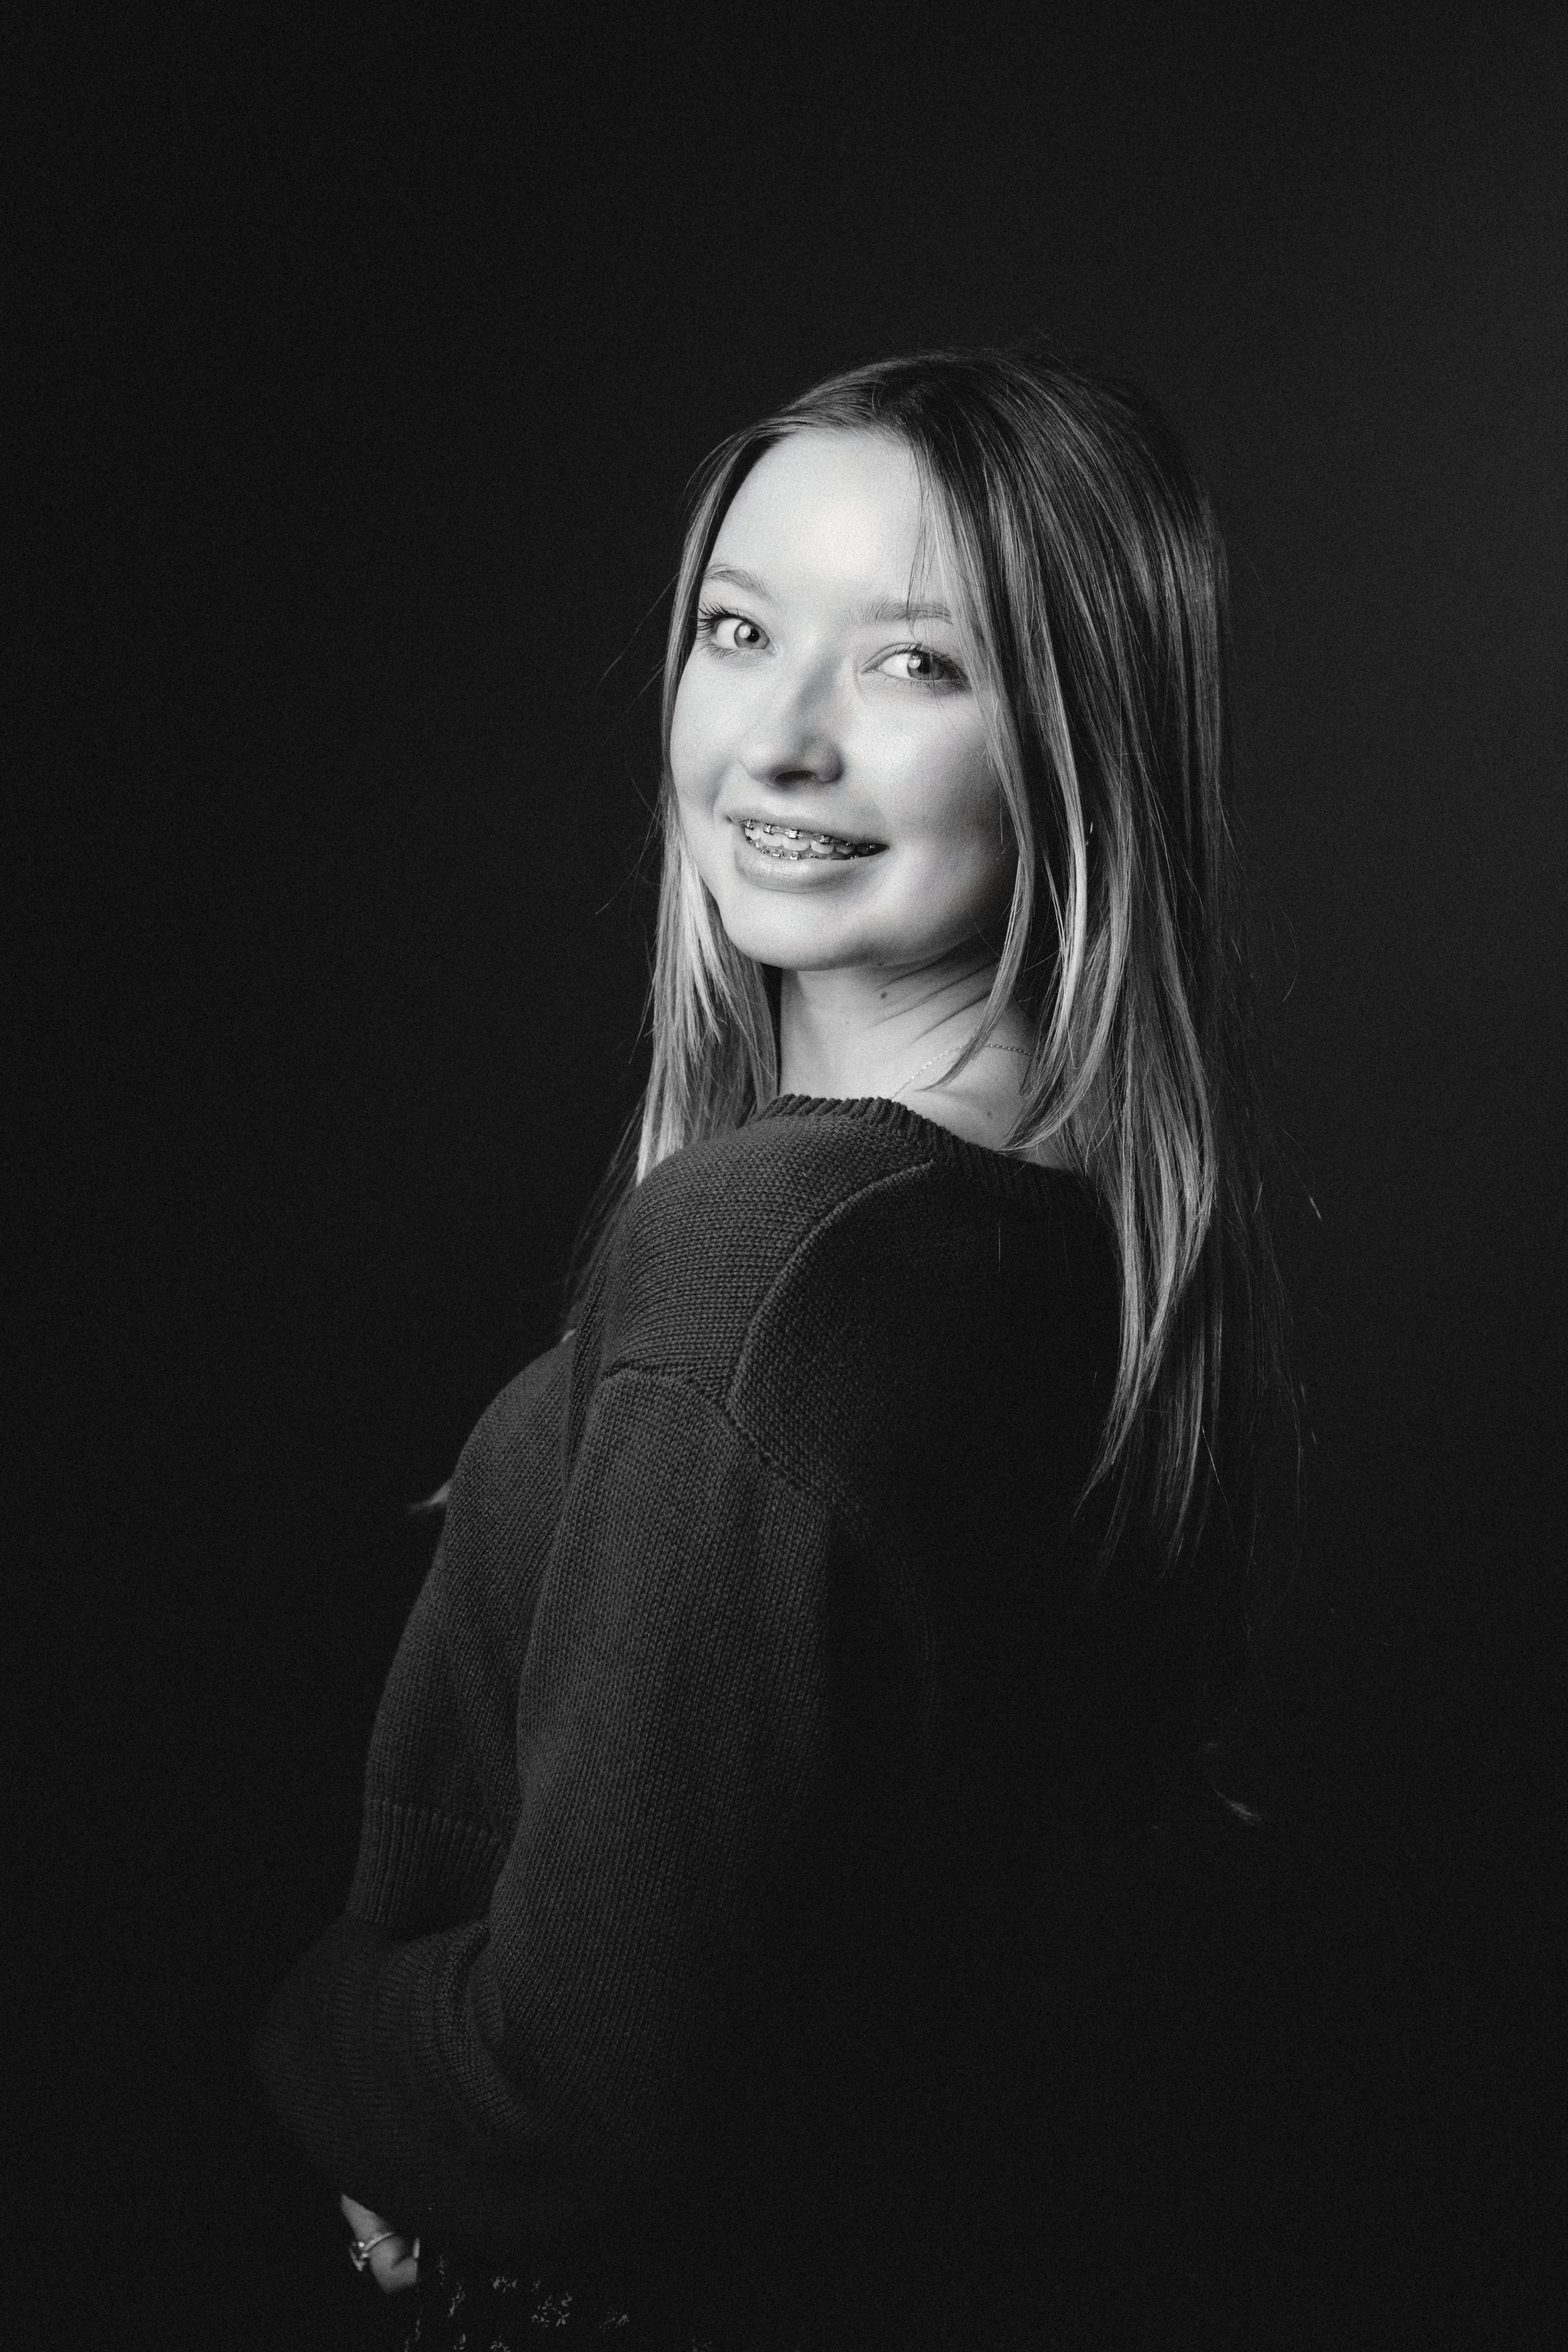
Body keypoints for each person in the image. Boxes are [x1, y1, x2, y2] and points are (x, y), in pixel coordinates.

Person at [255, 344, 1287, 2351]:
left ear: (1082, 738)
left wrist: (304, 2032)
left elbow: (575, 2107)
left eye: (916, 663)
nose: (779, 740)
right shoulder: (1063, 1242)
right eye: (740, 630)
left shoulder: (781, 1256)